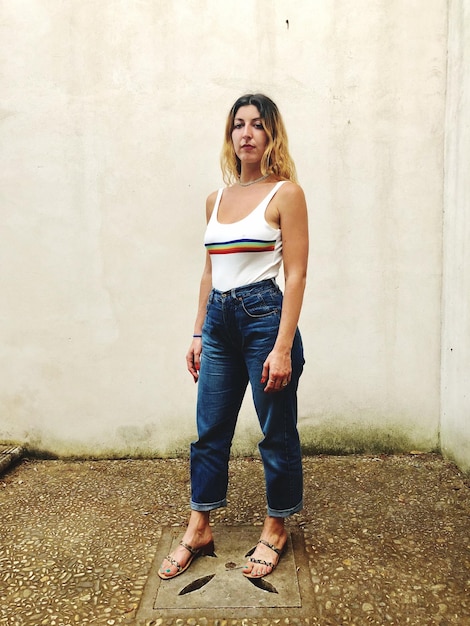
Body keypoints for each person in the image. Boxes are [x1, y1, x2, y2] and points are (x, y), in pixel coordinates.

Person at [159, 93, 308, 580]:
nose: (246, 133)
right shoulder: (215, 199)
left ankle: (276, 528)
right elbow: (209, 271)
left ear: (271, 135)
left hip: (266, 319)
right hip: (220, 324)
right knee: (209, 432)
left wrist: (282, 346)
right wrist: (198, 331)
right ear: (231, 135)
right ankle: (199, 526)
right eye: (238, 125)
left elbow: (298, 274)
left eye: (257, 125)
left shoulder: (286, 193)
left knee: (276, 432)